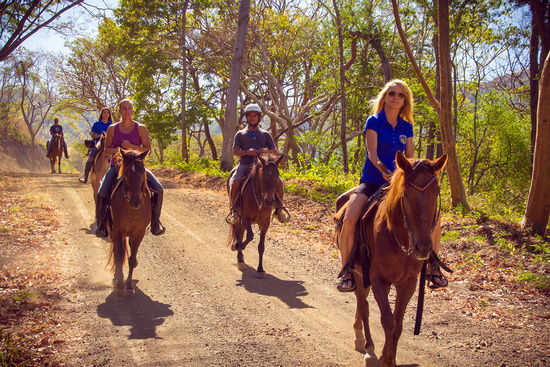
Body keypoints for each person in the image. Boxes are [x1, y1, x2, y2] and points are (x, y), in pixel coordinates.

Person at [336, 79, 448, 292]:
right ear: (385, 97)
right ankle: (347, 271)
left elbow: (410, 157)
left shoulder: (407, 126)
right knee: (349, 218)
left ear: (405, 101)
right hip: (373, 180)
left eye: (401, 95)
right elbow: (372, 152)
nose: (396, 97)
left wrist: (409, 174)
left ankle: (433, 266)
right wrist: (384, 172)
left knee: (435, 218)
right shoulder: (374, 121)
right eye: (392, 93)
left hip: (400, 183)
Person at [95, 99, 165, 238]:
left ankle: (155, 222)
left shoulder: (140, 128)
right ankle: (101, 224)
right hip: (117, 167)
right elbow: (106, 150)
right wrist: (119, 150)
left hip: (137, 168)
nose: (127, 111)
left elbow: (148, 149)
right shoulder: (112, 128)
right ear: (120, 111)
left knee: (158, 188)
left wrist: (132, 147)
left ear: (133, 111)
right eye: (124, 108)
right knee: (102, 191)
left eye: (129, 108)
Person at [226, 103, 290, 225]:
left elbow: (274, 150)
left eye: (255, 116)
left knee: (279, 183)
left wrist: (266, 152)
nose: (252, 118)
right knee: (234, 182)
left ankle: (279, 210)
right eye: (249, 116)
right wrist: (245, 152)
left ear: (259, 117)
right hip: (245, 164)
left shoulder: (265, 134)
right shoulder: (240, 134)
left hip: (263, 166)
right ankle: (234, 210)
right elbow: (235, 151)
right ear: (246, 117)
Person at [79, 107, 113, 183]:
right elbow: (93, 135)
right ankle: (86, 176)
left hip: (109, 144)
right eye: (104, 112)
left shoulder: (112, 125)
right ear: (101, 114)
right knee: (91, 157)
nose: (106, 114)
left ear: (109, 114)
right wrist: (101, 136)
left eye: (107, 113)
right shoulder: (96, 124)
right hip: (98, 143)